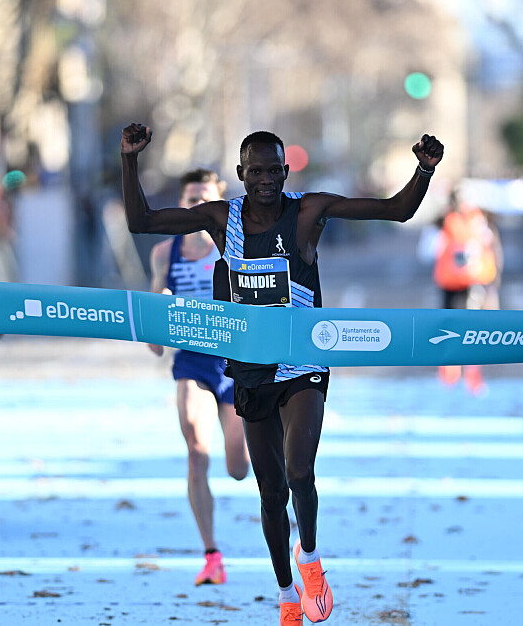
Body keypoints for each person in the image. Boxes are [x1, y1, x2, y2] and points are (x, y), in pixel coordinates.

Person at [121, 122, 444, 625]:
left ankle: (310, 559)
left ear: (286, 171)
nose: (266, 180)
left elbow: (395, 210)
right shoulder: (221, 218)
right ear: (241, 173)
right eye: (256, 172)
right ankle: (286, 594)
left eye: (274, 170)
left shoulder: (308, 210)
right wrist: (129, 159)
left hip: (302, 364)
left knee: (299, 473)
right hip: (251, 371)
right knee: (270, 494)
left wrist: (424, 170)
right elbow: (141, 221)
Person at [145, 168, 250, 586]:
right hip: (192, 362)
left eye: (207, 198)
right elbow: (154, 335)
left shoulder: (235, 248)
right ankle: (211, 555)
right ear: (182, 203)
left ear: (219, 203)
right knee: (195, 448)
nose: (198, 206)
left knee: (239, 468)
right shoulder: (164, 253)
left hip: (236, 365)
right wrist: (160, 309)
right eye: (192, 199)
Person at [431, 189, 501, 393]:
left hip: (452, 281)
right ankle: (470, 375)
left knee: (449, 327)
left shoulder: (448, 220)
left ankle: (450, 374)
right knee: (473, 329)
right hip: (472, 280)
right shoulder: (477, 221)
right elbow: (491, 247)